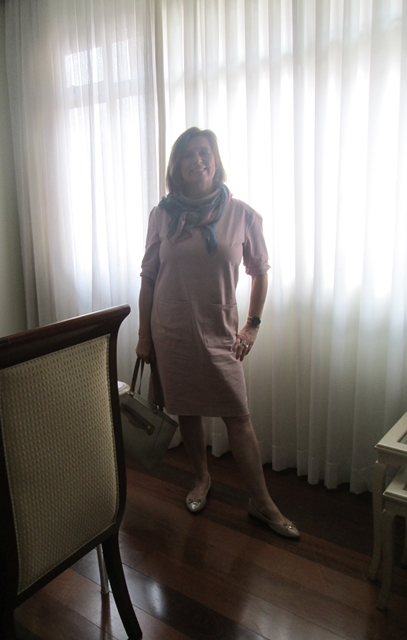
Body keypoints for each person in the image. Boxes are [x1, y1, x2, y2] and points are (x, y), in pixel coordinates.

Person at [136, 127, 299, 539]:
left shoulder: (242, 214)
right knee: (187, 409)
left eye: (204, 152)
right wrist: (143, 335)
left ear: (215, 159)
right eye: (187, 154)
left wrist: (252, 325)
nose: (197, 160)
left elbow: (259, 272)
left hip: (219, 331)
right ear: (177, 165)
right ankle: (201, 479)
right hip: (170, 330)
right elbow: (149, 277)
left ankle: (262, 503)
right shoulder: (162, 215)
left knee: (238, 417)